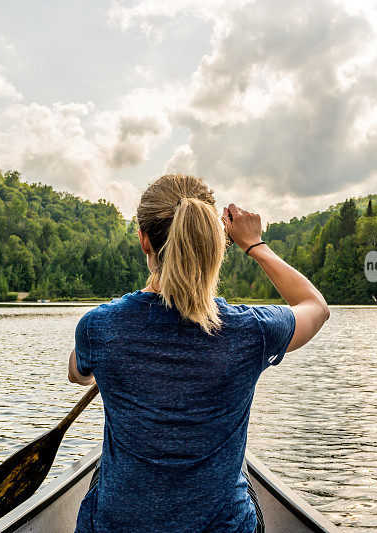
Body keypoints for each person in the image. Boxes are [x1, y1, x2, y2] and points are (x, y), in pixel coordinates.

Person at [68, 174, 329, 532]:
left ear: (144, 241)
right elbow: (315, 306)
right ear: (217, 245)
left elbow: (78, 374)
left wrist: (101, 363)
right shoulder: (251, 330)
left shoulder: (99, 327)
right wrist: (254, 244)